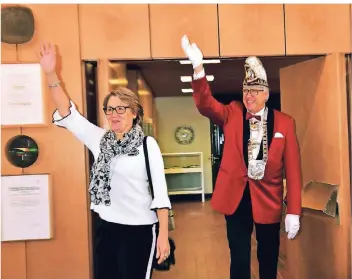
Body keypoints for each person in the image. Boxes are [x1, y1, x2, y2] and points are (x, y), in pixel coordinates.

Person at [38, 42, 172, 279]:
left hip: (140, 230)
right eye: (109, 109)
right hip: (107, 228)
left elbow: (160, 194)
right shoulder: (99, 139)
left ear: (134, 113)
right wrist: (50, 73)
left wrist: (162, 235)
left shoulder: (146, 145)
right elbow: (68, 112)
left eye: (121, 109)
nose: (114, 115)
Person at [181, 35, 302, 279]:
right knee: (238, 258)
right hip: (235, 200)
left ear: (266, 94)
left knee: (268, 258)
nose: (250, 95)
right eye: (247, 90)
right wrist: (198, 68)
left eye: (256, 90)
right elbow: (206, 105)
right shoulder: (233, 113)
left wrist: (294, 211)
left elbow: (294, 170)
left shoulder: (285, 123)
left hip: (268, 200)